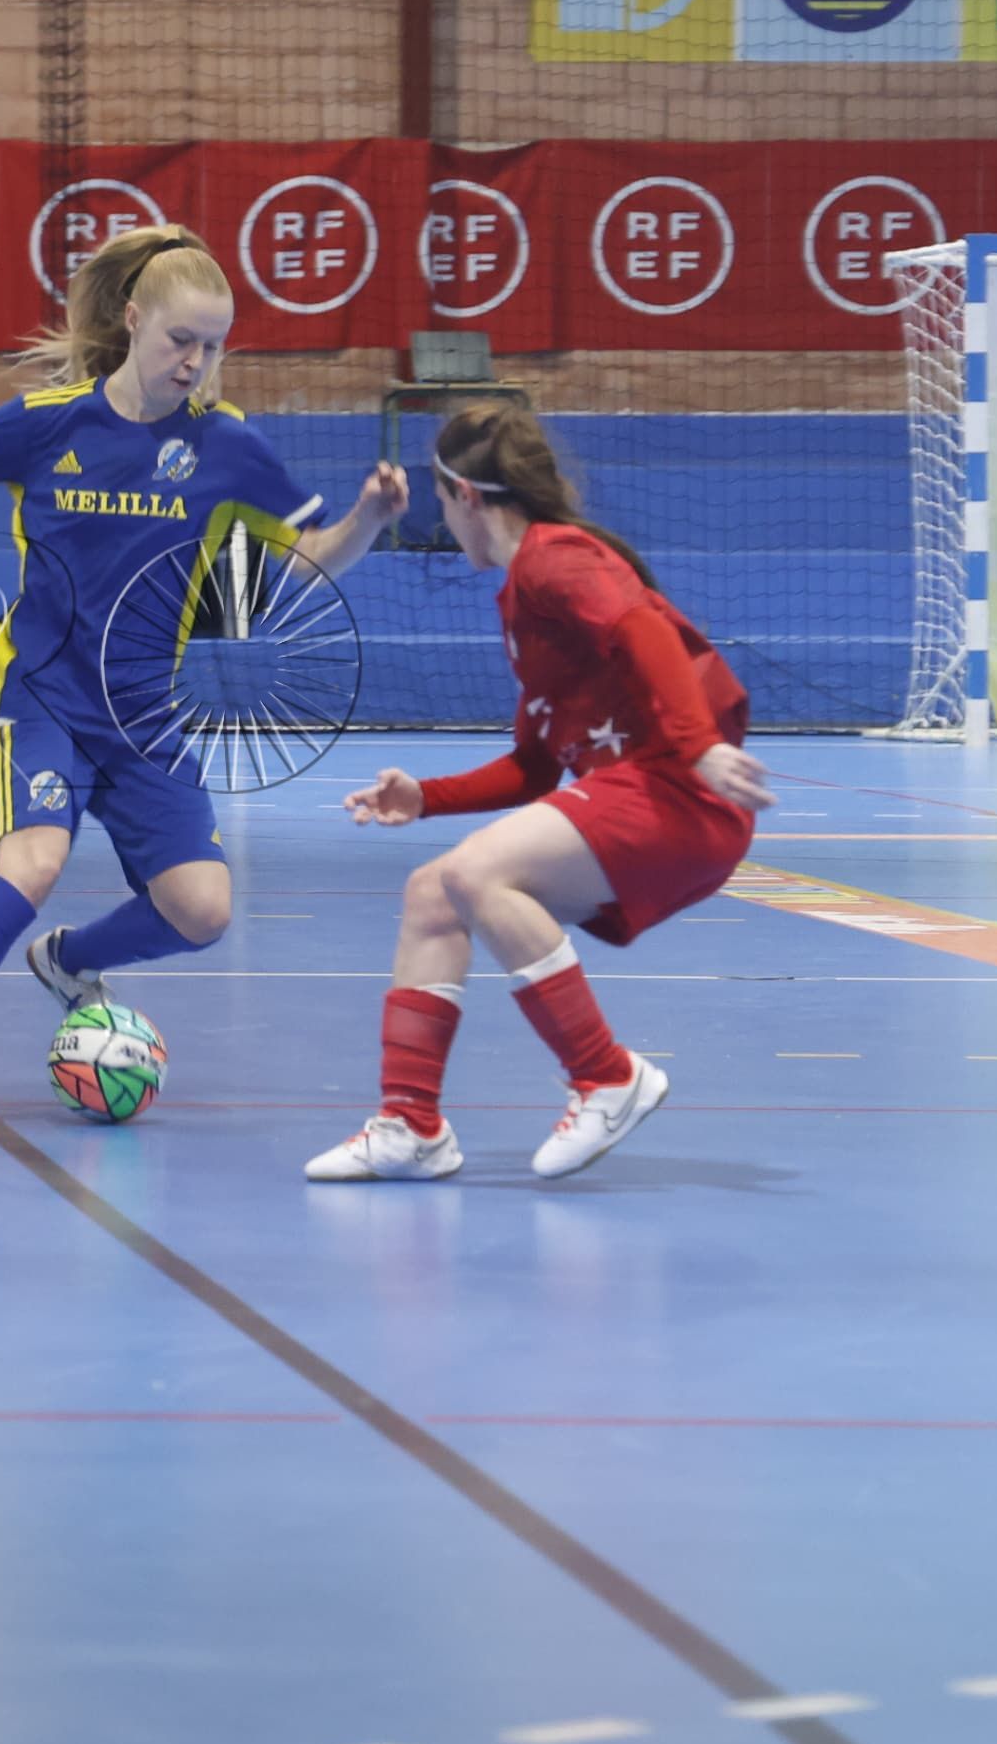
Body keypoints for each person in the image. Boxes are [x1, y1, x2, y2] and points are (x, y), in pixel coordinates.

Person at [0, 226, 407, 1132]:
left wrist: (370, 519)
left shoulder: (224, 446)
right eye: (181, 339)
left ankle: (69, 961)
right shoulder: (50, 421)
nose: (196, 362)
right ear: (135, 319)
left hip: (144, 714)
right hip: (38, 697)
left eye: (214, 346)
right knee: (35, 863)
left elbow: (304, 563)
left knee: (202, 908)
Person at [305, 402, 771, 1184]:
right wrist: (427, 797)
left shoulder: (557, 559)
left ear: (467, 497)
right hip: (651, 797)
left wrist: (699, 747)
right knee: (433, 894)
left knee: (476, 874)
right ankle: (409, 1126)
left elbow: (643, 630)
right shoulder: (529, 596)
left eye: (442, 502)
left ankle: (606, 1077)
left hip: (681, 798)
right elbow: (534, 767)